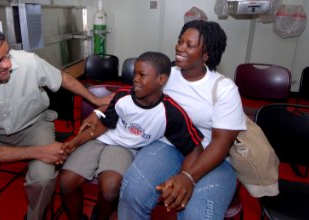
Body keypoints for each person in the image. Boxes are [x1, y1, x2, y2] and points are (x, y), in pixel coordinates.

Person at [0, 22, 113, 220]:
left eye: (7, 54)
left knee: (43, 178)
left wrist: (95, 99)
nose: (8, 64)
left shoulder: (28, 61)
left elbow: (62, 78)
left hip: (35, 125)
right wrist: (40, 152)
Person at [118, 20, 246, 219]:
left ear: (206, 54)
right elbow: (133, 97)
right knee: (132, 193)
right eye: (180, 41)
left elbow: (222, 142)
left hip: (210, 154)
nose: (180, 48)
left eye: (190, 45)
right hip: (167, 145)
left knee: (198, 215)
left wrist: (188, 176)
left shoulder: (224, 88)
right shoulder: (166, 74)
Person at [59, 51, 204, 220]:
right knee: (66, 181)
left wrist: (184, 177)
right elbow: (104, 125)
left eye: (142, 75)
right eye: (135, 73)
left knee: (110, 188)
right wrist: (76, 142)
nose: (135, 78)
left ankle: (100, 216)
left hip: (125, 148)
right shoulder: (123, 97)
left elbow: (195, 148)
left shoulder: (170, 113)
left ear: (161, 79)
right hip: (101, 139)